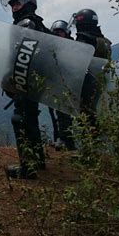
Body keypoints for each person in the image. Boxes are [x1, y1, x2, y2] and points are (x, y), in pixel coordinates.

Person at [0, 0, 49, 179]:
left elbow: (23, 57)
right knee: (30, 118)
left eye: (17, 3)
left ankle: (27, 168)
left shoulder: (26, 25)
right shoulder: (36, 24)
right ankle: (38, 161)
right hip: (34, 83)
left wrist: (13, 80)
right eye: (12, 4)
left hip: (25, 81)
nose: (14, 7)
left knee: (20, 119)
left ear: (28, 3)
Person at [72, 9, 112, 128]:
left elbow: (75, 62)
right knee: (94, 114)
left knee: (85, 116)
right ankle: (95, 141)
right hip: (101, 82)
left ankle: (89, 143)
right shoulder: (104, 41)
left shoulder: (84, 39)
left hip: (86, 83)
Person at [48, 20, 76, 150]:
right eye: (56, 32)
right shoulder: (52, 47)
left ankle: (68, 142)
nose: (58, 34)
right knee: (58, 114)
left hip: (69, 86)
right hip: (56, 85)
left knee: (65, 115)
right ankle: (60, 139)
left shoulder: (73, 46)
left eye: (60, 32)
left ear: (66, 33)